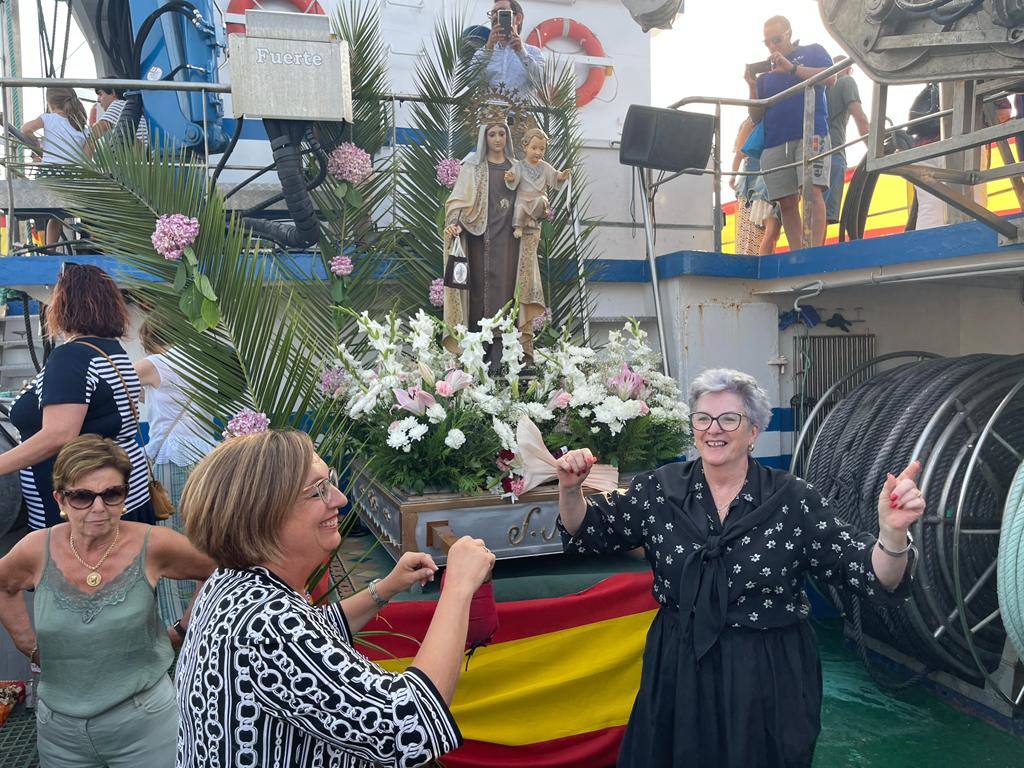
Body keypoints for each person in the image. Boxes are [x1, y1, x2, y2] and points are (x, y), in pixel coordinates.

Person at [556, 368, 923, 767]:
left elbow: (872, 575)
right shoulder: (658, 490)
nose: (714, 429)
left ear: (753, 432)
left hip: (766, 669)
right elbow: (590, 530)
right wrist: (570, 489)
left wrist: (892, 535)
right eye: (703, 418)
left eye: (729, 419)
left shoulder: (793, 500)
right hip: (681, 664)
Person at [175, 429, 495, 768]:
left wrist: (385, 588)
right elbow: (408, 727)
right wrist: (459, 585)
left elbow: (313, 633)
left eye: (330, 481)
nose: (340, 499)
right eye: (318, 491)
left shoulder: (230, 580)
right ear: (264, 513)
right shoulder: (268, 623)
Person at [0, 435, 215, 768]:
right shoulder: (35, 548)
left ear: (125, 497)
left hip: (146, 724)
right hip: (60, 732)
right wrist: (27, 643)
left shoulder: (153, 544)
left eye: (112, 494)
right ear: (61, 499)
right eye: (83, 496)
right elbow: (3, 585)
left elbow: (216, 570)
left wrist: (184, 628)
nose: (99, 508)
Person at [3, 263, 156, 529]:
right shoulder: (111, 350)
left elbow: (59, 435)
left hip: (83, 509)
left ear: (63, 305)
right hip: (120, 497)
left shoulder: (71, 357)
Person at [443, 121, 546, 368]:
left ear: (508, 137)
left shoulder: (517, 167)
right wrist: (455, 222)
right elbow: (458, 201)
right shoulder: (474, 167)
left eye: (502, 134)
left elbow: (534, 194)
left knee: (508, 291)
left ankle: (507, 351)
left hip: (511, 242)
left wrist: (540, 206)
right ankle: (479, 351)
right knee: (479, 293)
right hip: (479, 241)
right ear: (484, 137)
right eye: (492, 134)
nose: (497, 139)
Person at [746, 15, 834, 250]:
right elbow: (756, 117)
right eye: (767, 43)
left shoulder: (813, 51)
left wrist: (792, 68)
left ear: (789, 33)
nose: (773, 46)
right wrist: (752, 85)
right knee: (785, 202)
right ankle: (798, 253)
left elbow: (831, 77)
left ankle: (813, 251)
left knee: (811, 191)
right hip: (775, 140)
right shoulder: (766, 76)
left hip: (810, 131)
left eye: (777, 39)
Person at [19, 87, 89, 246]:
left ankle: (48, 247)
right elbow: (85, 160)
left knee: (48, 214)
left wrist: (38, 147)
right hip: (71, 181)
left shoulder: (49, 118)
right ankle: (51, 246)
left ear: (50, 103)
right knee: (57, 216)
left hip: (49, 177)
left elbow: (26, 129)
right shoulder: (82, 129)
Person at [824, 56, 870, 228]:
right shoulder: (846, 82)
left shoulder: (819, 88)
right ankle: (816, 253)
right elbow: (861, 119)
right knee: (824, 215)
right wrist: (875, 153)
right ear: (848, 69)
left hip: (812, 155)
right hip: (834, 153)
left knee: (813, 212)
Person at [471, 0, 545, 97]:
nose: (495, 16)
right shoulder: (481, 53)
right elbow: (470, 83)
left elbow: (541, 82)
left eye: (501, 12)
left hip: (520, 112)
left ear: (518, 18)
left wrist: (521, 52)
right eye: (492, 13)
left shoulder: (534, 53)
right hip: (487, 111)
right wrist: (488, 50)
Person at [505, 127, 570, 238]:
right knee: (520, 207)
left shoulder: (544, 166)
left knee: (542, 201)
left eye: (542, 149)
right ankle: (519, 226)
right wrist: (511, 178)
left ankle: (532, 218)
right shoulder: (519, 166)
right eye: (534, 148)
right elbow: (513, 177)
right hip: (523, 198)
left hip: (538, 197)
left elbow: (554, 175)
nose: (538, 152)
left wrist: (561, 176)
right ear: (525, 147)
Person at [731, 117, 781, 255]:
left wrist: (733, 176)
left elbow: (739, 155)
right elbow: (740, 153)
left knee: (764, 231)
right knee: (757, 231)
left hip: (761, 181)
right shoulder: (751, 123)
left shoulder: (756, 122)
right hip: (753, 184)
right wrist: (733, 176)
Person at [89, 85, 150, 154]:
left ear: (113, 92)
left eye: (100, 94)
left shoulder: (119, 104)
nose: (98, 100)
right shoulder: (131, 108)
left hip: (135, 154)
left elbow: (99, 129)